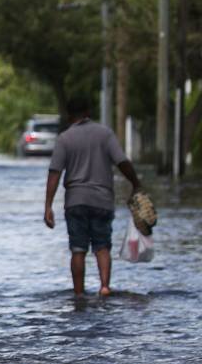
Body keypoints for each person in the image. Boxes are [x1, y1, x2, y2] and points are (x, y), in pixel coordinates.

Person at [43, 96, 141, 297]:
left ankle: (79, 294)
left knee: (78, 250)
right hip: (102, 200)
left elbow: (55, 173)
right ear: (88, 112)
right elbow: (122, 161)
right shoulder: (105, 134)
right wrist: (136, 183)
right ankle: (104, 287)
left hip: (75, 201)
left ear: (69, 116)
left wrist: (48, 206)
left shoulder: (64, 138)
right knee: (102, 246)